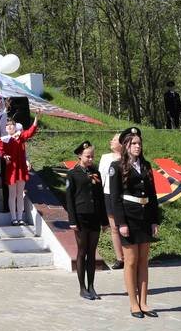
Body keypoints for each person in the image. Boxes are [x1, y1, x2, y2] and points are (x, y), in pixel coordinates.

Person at [109, 127, 162, 319]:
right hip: (129, 218)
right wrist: (121, 223)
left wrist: (154, 220)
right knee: (130, 261)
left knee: (143, 261)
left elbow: (153, 194)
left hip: (145, 217)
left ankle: (144, 303)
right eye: (133, 143)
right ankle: (133, 304)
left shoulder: (146, 165)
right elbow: (115, 198)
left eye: (139, 143)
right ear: (126, 145)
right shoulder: (116, 166)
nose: (137, 146)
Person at [66, 140, 106, 300]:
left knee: (92, 252)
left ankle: (91, 286)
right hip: (81, 217)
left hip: (94, 216)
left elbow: (100, 197)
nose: (90, 159)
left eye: (92, 156)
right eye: (88, 156)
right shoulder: (72, 173)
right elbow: (69, 199)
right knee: (82, 251)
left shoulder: (96, 172)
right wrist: (72, 221)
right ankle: (82, 288)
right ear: (79, 156)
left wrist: (104, 220)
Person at [0, 109, 42, 226]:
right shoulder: (3, 139)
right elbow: (1, 151)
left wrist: (36, 118)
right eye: (7, 125)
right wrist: (5, 156)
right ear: (5, 128)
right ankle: (13, 218)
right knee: (12, 194)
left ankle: (20, 217)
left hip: (21, 168)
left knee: (20, 194)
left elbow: (30, 132)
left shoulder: (20, 136)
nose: (10, 126)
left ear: (15, 126)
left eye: (12, 125)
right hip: (11, 169)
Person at [98, 133, 126, 269]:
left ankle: (130, 255)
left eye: (114, 140)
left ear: (121, 144)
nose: (111, 141)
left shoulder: (128, 158)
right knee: (114, 228)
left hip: (124, 196)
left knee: (126, 226)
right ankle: (120, 258)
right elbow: (100, 178)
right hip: (109, 195)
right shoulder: (105, 157)